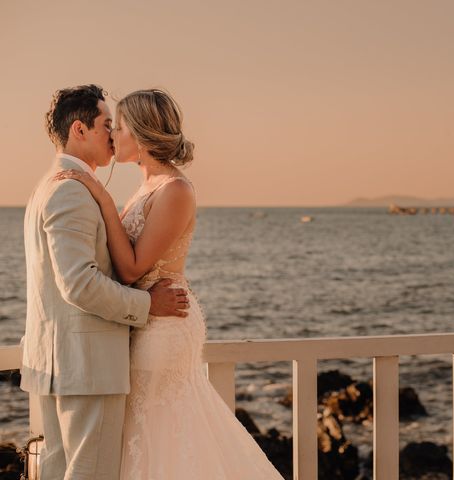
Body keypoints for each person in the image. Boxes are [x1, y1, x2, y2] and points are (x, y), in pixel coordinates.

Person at [55, 88, 284, 479]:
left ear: (141, 136)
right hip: (146, 319)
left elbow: (131, 270)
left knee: (163, 430)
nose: (113, 135)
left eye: (120, 127)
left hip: (165, 324)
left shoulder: (176, 190)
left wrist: (102, 200)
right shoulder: (146, 188)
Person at [21, 84, 190, 480]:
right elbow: (79, 284)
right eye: (105, 125)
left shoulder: (51, 186)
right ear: (79, 130)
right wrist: (149, 306)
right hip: (86, 367)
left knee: (60, 470)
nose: (112, 135)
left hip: (64, 363)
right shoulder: (71, 191)